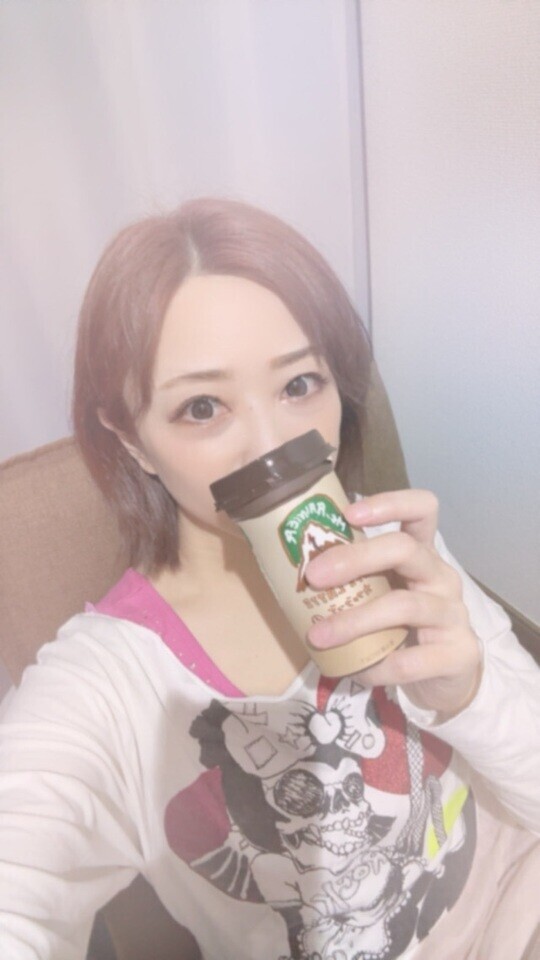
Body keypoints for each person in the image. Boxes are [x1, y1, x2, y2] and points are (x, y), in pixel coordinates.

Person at [0, 197, 539, 960]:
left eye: (299, 384)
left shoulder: (392, 550)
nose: (270, 445)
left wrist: (474, 692)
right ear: (132, 439)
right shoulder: (108, 688)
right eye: (202, 407)